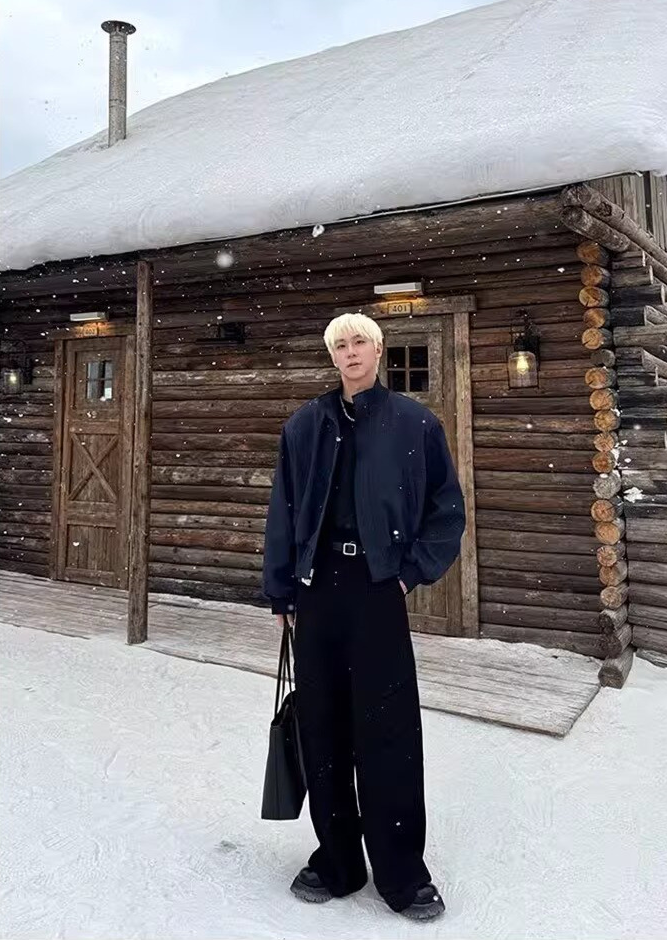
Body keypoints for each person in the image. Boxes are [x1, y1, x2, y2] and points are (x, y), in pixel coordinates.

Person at [262, 311, 465, 921]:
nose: (350, 353)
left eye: (359, 342)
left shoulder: (414, 424)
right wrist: (282, 591)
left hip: (377, 589)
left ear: (378, 350)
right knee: (321, 727)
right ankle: (338, 861)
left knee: (388, 732)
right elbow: (283, 510)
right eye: (340, 345)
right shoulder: (304, 425)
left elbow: (446, 510)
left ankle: (402, 873)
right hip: (316, 590)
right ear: (332, 357)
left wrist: (409, 571)